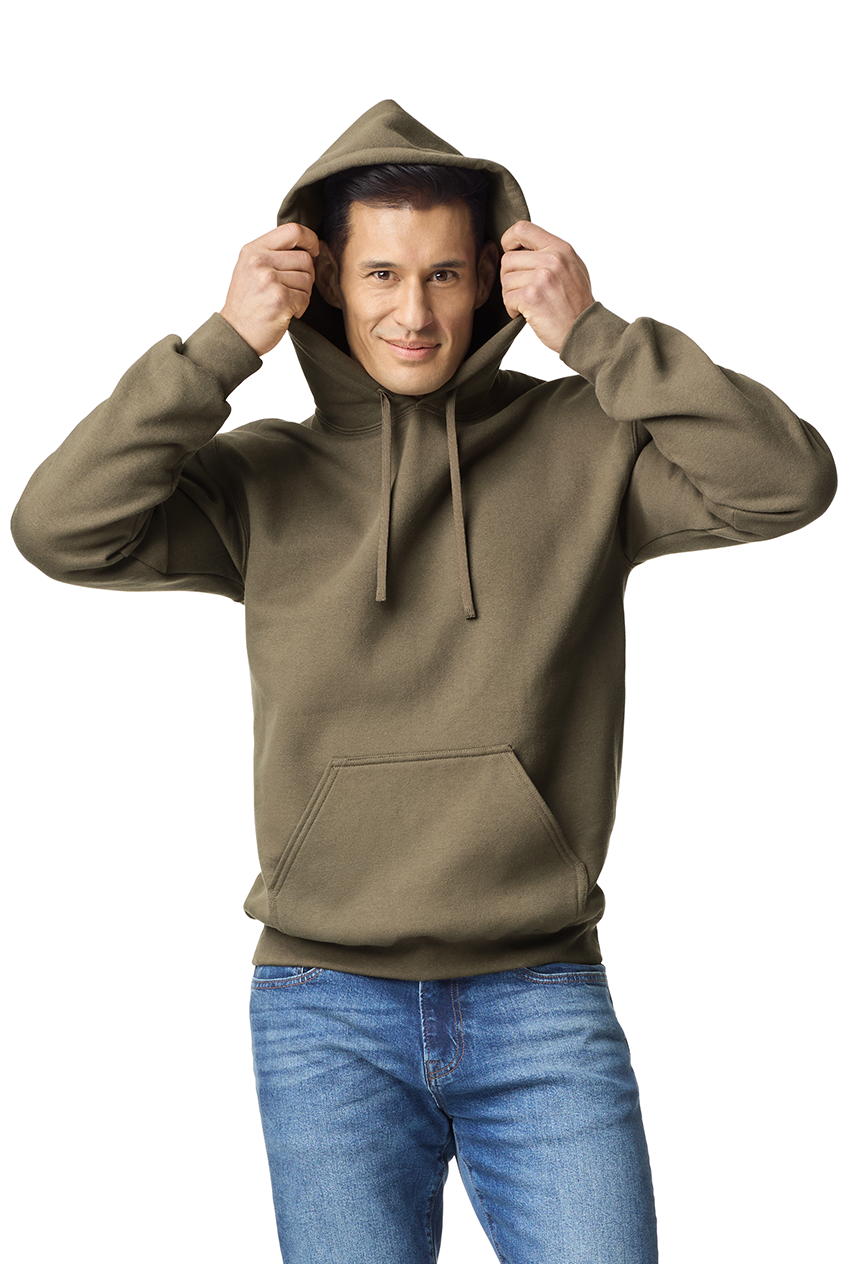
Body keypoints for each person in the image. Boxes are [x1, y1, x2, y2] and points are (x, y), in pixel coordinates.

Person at [10, 100, 837, 1263]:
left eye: (444, 273)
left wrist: (597, 334)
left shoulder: (587, 443)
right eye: (382, 274)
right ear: (326, 286)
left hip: (539, 992)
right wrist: (220, 346)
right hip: (324, 1008)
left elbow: (786, 482)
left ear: (492, 279)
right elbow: (59, 530)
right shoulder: (260, 478)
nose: (414, 312)